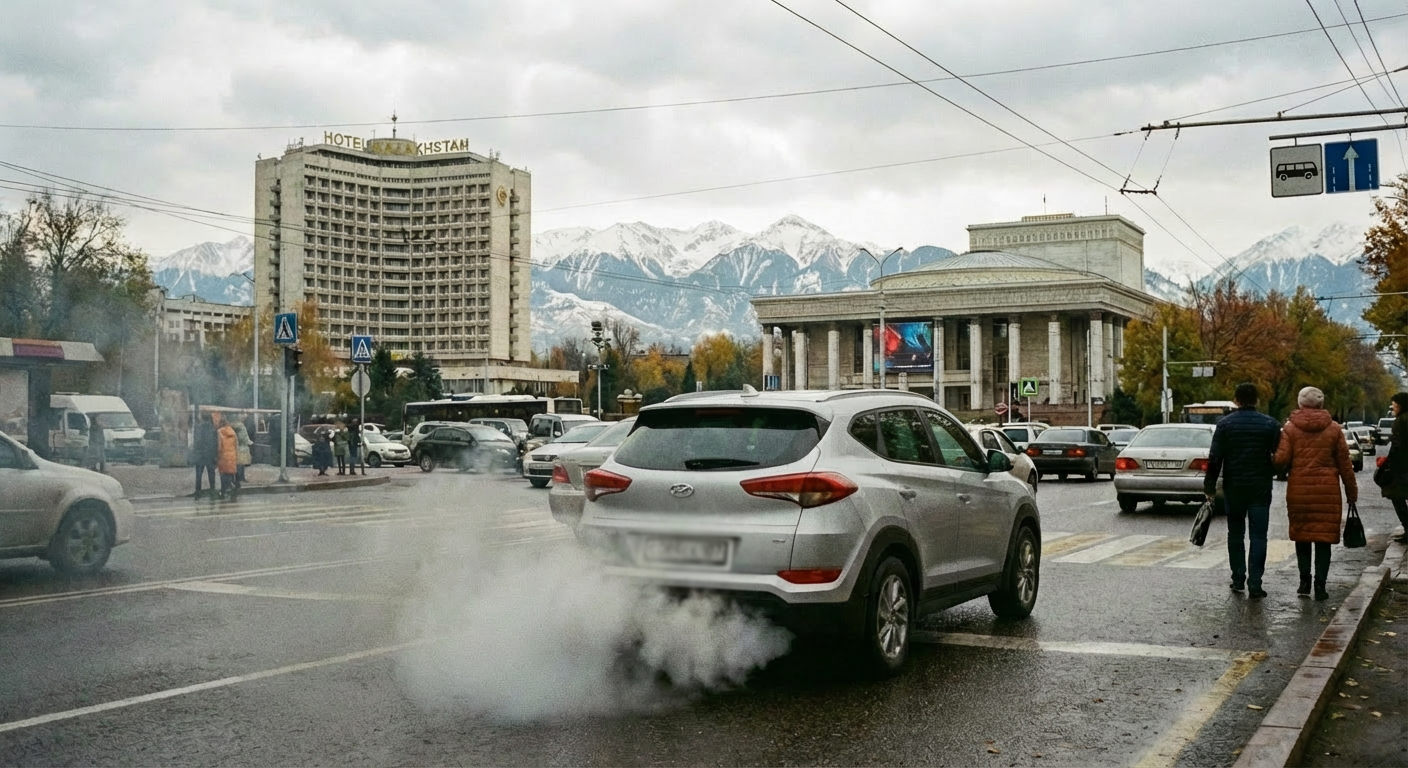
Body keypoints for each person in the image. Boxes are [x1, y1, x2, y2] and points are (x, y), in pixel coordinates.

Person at [1274, 387, 1358, 600]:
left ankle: (1304, 583)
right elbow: (1345, 464)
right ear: (1321, 404)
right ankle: (1320, 586)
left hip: (1299, 490)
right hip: (1327, 491)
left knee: (1302, 537)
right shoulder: (1334, 429)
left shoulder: (1290, 429)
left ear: (1300, 404)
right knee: (1323, 540)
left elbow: (1281, 460)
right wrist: (1351, 492)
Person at [1204, 382, 1282, 599]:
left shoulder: (1225, 425)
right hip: (1260, 487)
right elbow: (1279, 458)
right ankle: (1255, 583)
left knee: (1235, 533)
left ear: (1236, 400)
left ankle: (1238, 578)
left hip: (1234, 487)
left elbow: (1215, 459)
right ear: (1256, 400)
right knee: (1259, 536)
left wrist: (1209, 487)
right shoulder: (1270, 425)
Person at [1380, 392, 1408, 544]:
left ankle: (1407, 528)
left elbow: (1397, 446)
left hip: (1402, 467)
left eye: (1395, 406)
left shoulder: (1400, 421)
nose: (1393, 408)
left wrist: (1389, 464)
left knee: (1396, 495)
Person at [192, 412, 218, 498]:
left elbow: (197, 442)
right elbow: (215, 443)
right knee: (211, 473)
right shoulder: (213, 429)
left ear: (202, 417)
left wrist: (196, 452)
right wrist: (215, 455)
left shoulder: (199, 428)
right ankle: (212, 489)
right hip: (210, 455)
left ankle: (198, 491)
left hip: (200, 455)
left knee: (199, 474)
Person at [215, 414, 239, 501]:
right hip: (232, 455)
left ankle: (224, 491)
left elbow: (219, 446)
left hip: (223, 456)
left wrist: (217, 456)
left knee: (223, 475)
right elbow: (236, 445)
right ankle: (231, 489)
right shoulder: (233, 432)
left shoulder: (219, 432)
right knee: (231, 474)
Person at [232, 417, 252, 487]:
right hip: (241, 446)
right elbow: (242, 437)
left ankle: (240, 478)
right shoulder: (239, 425)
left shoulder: (239, 425)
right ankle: (239, 478)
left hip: (241, 446)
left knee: (241, 463)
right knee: (240, 464)